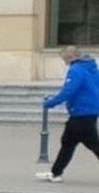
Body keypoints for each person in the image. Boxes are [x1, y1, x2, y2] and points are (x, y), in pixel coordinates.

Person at [38, 45, 99, 183]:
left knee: (93, 144)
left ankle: (56, 173)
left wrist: (51, 102)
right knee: (68, 143)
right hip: (89, 110)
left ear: (70, 57)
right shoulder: (92, 68)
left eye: (64, 59)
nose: (64, 62)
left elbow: (68, 90)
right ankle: (56, 173)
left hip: (81, 113)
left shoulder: (76, 69)